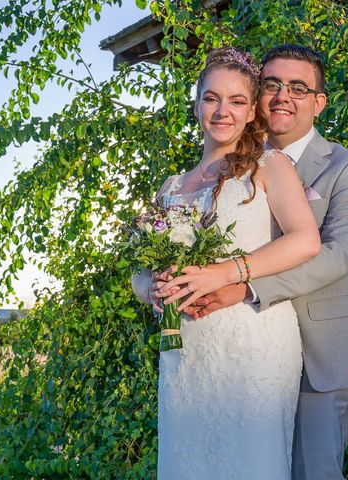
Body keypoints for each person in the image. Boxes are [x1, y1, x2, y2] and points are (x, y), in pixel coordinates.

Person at [173, 45, 348, 479]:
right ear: (256, 98)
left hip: (321, 355)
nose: (283, 96)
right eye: (272, 84)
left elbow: (336, 255)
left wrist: (245, 287)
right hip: (237, 350)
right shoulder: (222, 166)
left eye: (299, 88)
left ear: (319, 102)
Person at [132, 47, 321, 479]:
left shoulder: (270, 167)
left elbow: (306, 240)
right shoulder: (172, 185)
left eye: (236, 101)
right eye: (212, 98)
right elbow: (137, 272)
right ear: (196, 103)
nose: (222, 111)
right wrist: (153, 289)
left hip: (251, 338)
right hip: (185, 348)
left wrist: (226, 271)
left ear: (253, 110)